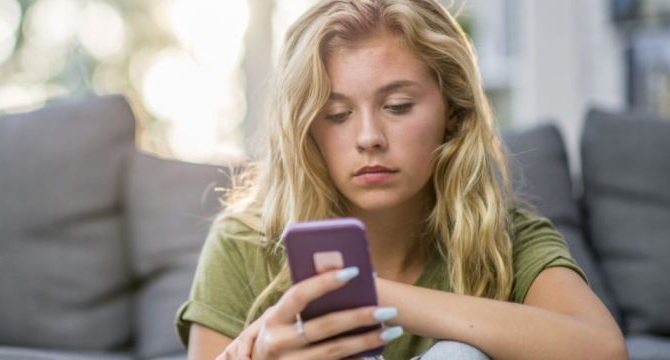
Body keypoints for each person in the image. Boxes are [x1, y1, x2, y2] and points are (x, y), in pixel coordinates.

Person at [175, 0, 627, 359]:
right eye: (337, 114)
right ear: (308, 129)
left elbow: (603, 350)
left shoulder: (505, 239)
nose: (368, 137)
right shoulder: (244, 241)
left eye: (397, 107)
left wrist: (369, 294)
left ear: (453, 111)